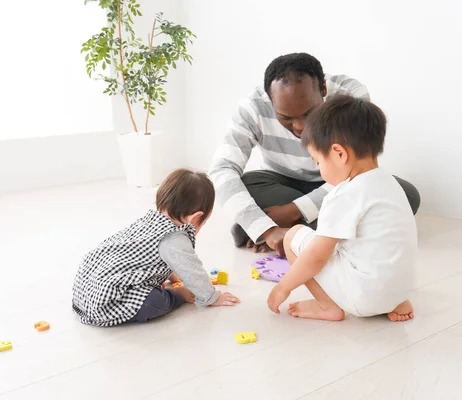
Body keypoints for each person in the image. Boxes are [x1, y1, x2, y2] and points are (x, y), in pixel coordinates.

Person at [209, 53, 420, 256]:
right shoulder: (252, 107)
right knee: (246, 184)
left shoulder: (350, 98)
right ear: (269, 100)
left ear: (323, 89)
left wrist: (292, 211)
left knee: (405, 195)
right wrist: (266, 229)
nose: (300, 126)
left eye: (309, 113)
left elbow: (355, 169)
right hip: (281, 183)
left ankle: (290, 229)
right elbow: (222, 169)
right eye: (286, 117)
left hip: (342, 182)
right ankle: (332, 230)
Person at [267, 94, 416, 322]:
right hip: (399, 291)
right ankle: (391, 300)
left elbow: (317, 257)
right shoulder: (391, 184)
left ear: (339, 153)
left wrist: (284, 287)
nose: (320, 169)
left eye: (318, 162)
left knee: (294, 236)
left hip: (362, 297)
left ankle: (327, 306)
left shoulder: (344, 194)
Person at [72, 169, 240, 327]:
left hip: (86, 290)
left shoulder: (149, 221)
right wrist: (212, 297)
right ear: (197, 218)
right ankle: (177, 295)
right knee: (154, 303)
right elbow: (193, 272)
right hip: (108, 304)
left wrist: (171, 274)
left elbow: (146, 257)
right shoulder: (174, 238)